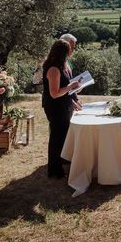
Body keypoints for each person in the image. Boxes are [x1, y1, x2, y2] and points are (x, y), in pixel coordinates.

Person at [41, 40, 82, 178]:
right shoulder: (53, 69)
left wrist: (72, 98)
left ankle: (60, 164)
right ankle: (54, 171)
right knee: (56, 137)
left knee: (62, 135)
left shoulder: (59, 66)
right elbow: (55, 93)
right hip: (56, 107)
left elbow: (62, 90)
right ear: (62, 52)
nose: (71, 51)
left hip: (63, 105)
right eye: (69, 49)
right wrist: (71, 87)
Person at [59, 33, 82, 111]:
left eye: (74, 47)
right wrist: (72, 101)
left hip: (68, 103)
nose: (73, 50)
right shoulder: (56, 63)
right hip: (59, 105)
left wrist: (76, 99)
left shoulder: (67, 61)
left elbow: (68, 82)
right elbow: (59, 87)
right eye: (72, 47)